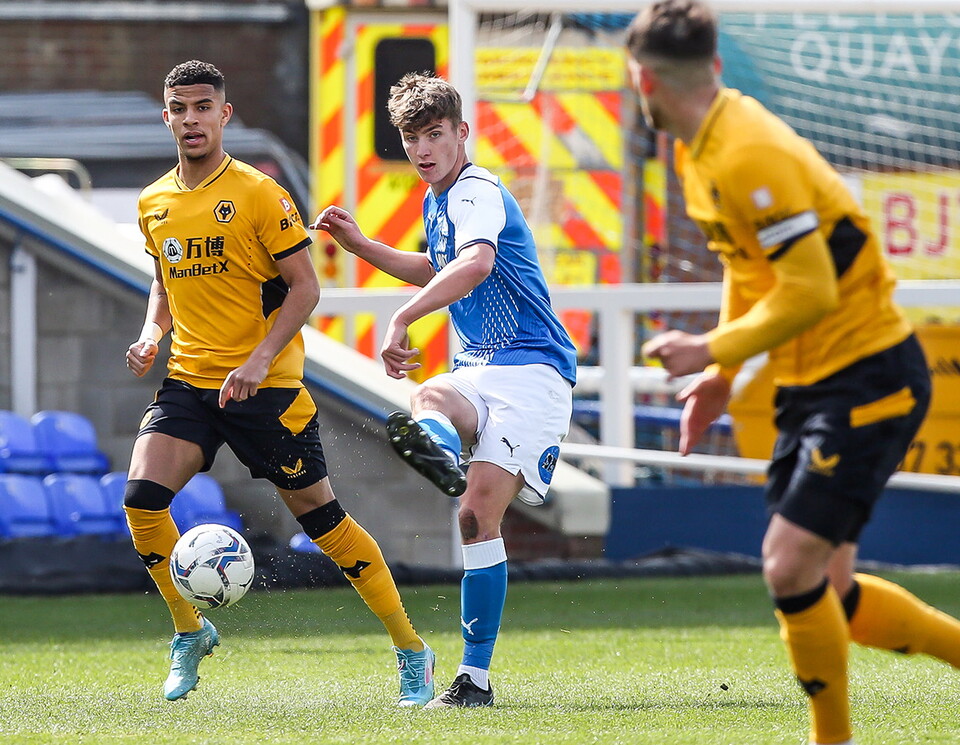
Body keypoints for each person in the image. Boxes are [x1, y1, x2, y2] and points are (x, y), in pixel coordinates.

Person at [625, 3, 960, 744]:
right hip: (812, 382)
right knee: (826, 589)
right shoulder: (699, 141)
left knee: (786, 562)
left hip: (869, 375)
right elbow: (748, 269)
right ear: (711, 67)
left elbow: (811, 289)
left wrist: (709, 350)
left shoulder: (747, 150)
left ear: (641, 77)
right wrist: (723, 373)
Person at [123, 60, 434, 706]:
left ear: (224, 114)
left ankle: (412, 648)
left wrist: (261, 359)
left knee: (325, 523)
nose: (190, 119)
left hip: (266, 390)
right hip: (190, 383)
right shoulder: (153, 202)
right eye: (179, 108)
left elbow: (305, 287)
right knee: (142, 500)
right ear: (166, 117)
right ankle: (190, 629)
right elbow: (164, 280)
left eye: (202, 107)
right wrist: (153, 333)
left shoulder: (261, 194)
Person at [312, 73, 577, 708]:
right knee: (429, 398)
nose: (424, 147)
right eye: (411, 137)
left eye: (435, 133)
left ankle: (474, 679)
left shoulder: (477, 187)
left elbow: (478, 261)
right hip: (480, 368)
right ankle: (439, 453)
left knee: (476, 516)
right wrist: (361, 245)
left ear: (461, 133)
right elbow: (437, 266)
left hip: (532, 371)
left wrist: (404, 318)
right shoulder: (441, 199)